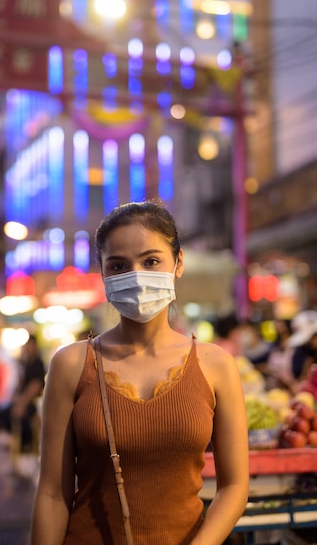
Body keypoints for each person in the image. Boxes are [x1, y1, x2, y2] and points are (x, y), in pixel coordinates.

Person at [31, 200, 249, 545]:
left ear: (178, 264)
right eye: (118, 265)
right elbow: (52, 495)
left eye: (151, 261)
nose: (135, 275)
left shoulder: (216, 364)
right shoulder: (71, 364)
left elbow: (235, 486)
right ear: (102, 273)